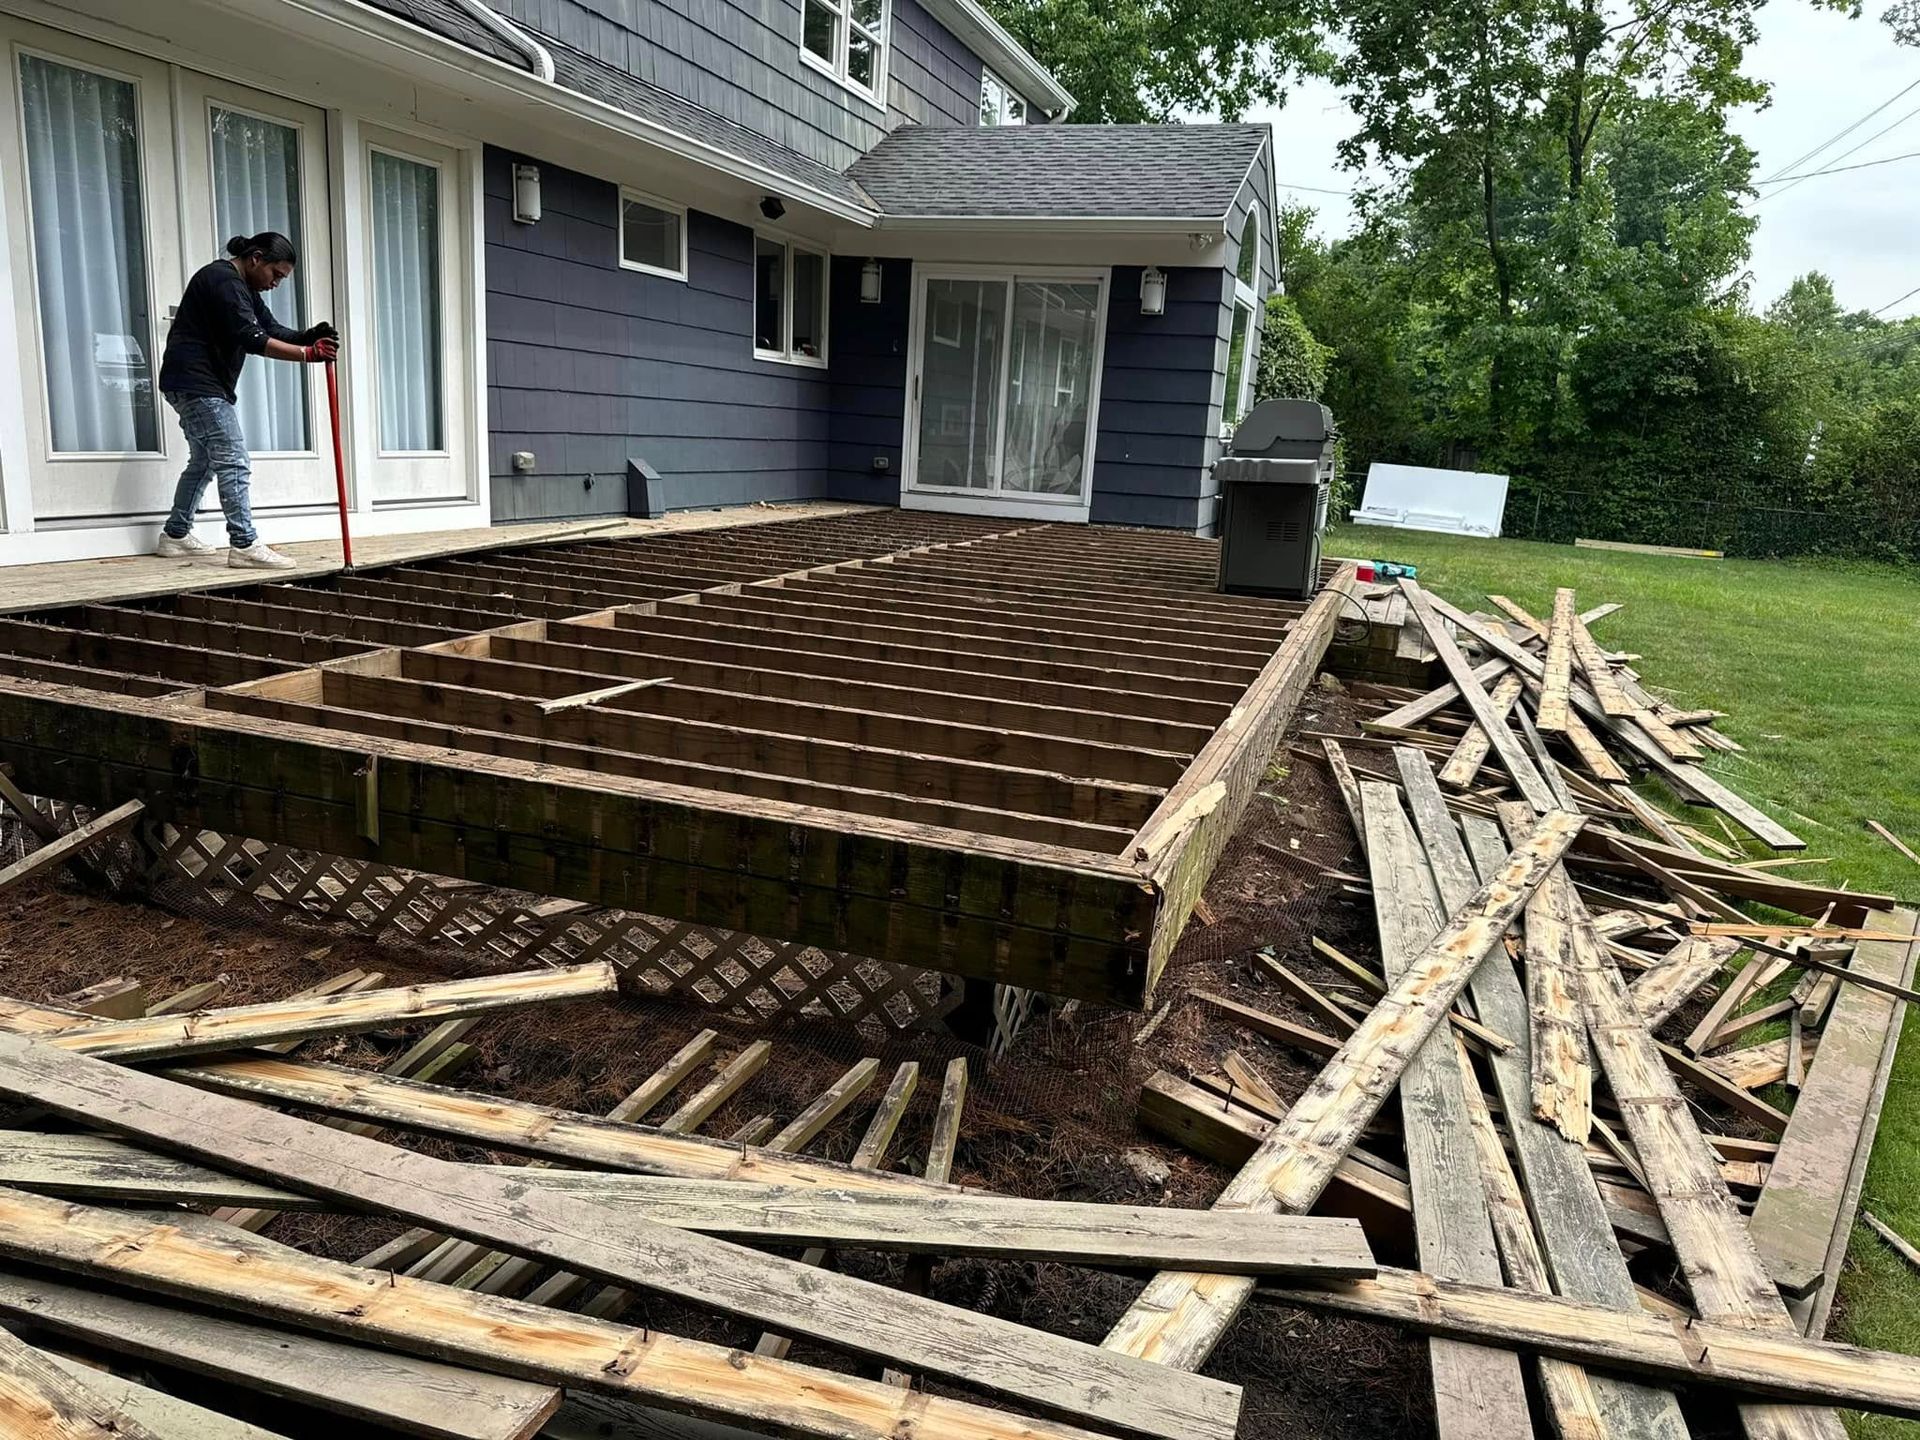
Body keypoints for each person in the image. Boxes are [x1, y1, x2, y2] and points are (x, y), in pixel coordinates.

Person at [154, 232, 339, 569]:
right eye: (276, 275)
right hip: (198, 384)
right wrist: (306, 354)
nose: (276, 283)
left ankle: (176, 535)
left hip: (194, 384)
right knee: (233, 460)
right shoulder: (221, 280)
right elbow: (251, 338)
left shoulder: (244, 288)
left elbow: (269, 328)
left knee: (205, 462)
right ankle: (244, 544)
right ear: (256, 258)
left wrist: (308, 336)